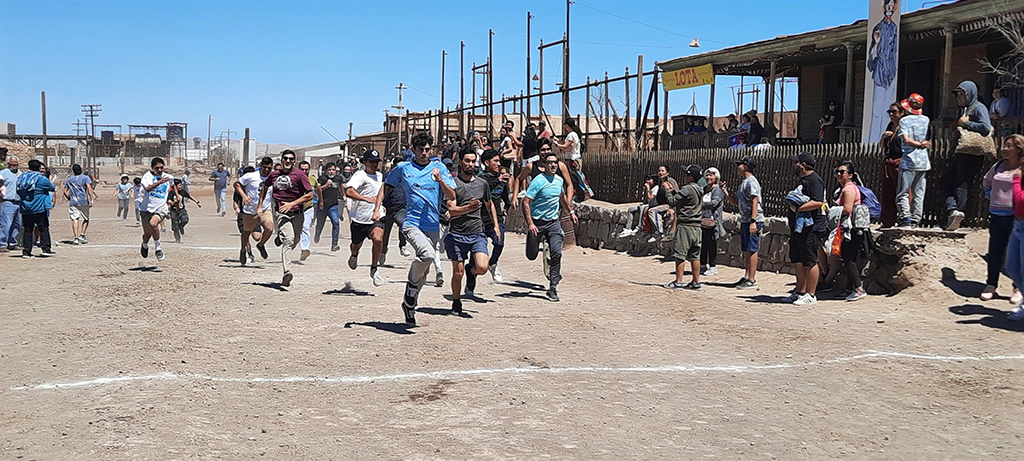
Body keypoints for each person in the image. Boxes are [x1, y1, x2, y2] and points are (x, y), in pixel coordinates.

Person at [373, 133, 456, 325]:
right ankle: (411, 289)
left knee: (424, 271)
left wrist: (440, 181)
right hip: (412, 223)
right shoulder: (403, 168)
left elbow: (452, 195)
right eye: (421, 150)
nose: (425, 153)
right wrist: (377, 209)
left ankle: (409, 304)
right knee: (427, 255)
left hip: (432, 225)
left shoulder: (439, 168)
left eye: (428, 149)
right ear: (413, 150)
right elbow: (385, 186)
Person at [445, 149, 501, 314]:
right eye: (467, 161)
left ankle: (472, 271)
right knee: (458, 273)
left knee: (482, 267)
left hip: (477, 232)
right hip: (457, 234)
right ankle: (456, 302)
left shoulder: (482, 184)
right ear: (461, 162)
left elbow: (490, 205)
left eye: (473, 161)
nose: (470, 164)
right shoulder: (453, 184)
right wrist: (468, 208)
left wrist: (496, 225)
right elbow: (451, 210)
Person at [523, 147, 577, 302]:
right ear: (544, 165)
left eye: (555, 163)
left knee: (556, 253)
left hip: (553, 223)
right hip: (537, 223)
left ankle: (553, 287)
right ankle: (533, 244)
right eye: (550, 163)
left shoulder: (559, 180)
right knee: (531, 255)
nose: (553, 165)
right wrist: (530, 224)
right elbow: (526, 202)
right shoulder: (538, 181)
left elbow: (562, 197)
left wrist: (571, 212)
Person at [940, 80, 993, 231]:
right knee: (945, 183)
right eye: (957, 95)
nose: (958, 98)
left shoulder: (978, 107)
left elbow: (986, 127)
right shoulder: (965, 110)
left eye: (961, 94)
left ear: (969, 94)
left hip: (972, 154)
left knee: (961, 185)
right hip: (961, 152)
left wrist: (966, 124)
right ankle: (953, 210)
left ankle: (956, 216)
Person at [258, 150, 313, 287]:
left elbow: (309, 195)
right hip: (281, 212)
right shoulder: (274, 175)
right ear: (281, 160)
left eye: (291, 159)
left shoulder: (300, 175)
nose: (288, 161)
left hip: (297, 212)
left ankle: (280, 238)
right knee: (289, 239)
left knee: (295, 239)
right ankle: (286, 272)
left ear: (294, 161)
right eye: (286, 158)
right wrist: (260, 205)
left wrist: (292, 203)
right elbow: (265, 187)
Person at [981, 135, 1024, 303]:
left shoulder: (1021, 168)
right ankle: (991, 285)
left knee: (1016, 255)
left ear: (1019, 149)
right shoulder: (998, 166)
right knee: (995, 252)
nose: (1005, 149)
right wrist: (990, 196)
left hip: (1016, 217)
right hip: (996, 214)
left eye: (1009, 146)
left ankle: (1018, 288)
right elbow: (986, 181)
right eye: (1005, 145)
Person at [787, 152, 827, 305]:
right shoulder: (803, 180)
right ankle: (800, 292)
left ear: (803, 165)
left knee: (810, 260)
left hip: (811, 227)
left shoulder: (814, 180)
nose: (794, 165)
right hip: (798, 227)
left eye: (796, 163)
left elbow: (818, 202)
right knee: (798, 259)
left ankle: (811, 294)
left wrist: (798, 208)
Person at [346, 150, 387, 287]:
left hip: (376, 217)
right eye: (371, 161)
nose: (374, 164)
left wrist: (382, 205)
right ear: (365, 162)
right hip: (360, 218)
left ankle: (374, 269)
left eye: (376, 161)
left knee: (378, 239)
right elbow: (349, 191)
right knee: (355, 245)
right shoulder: (360, 175)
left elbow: (381, 192)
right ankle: (354, 254)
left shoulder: (380, 176)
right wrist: (366, 199)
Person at [725, 157, 764, 290]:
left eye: (740, 165)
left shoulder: (752, 182)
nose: (738, 167)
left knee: (752, 249)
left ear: (746, 167)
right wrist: (725, 192)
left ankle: (752, 279)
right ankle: (747, 276)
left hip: (752, 220)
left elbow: (755, 201)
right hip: (745, 220)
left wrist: (753, 220)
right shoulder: (743, 183)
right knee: (746, 249)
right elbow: (735, 202)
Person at [664, 165, 705, 290]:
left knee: (680, 254)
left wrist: (667, 190)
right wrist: (674, 191)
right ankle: (696, 282)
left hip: (685, 226)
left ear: (690, 177)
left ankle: (679, 281)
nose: (684, 177)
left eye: (686, 174)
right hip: (697, 226)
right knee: (695, 256)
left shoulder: (687, 188)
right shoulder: (700, 188)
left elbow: (672, 202)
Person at [895, 94, 932, 228]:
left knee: (903, 192)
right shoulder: (926, 119)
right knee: (919, 192)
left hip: (909, 159)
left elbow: (906, 139)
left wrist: (918, 144)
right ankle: (917, 218)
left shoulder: (904, 121)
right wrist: (922, 144)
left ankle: (905, 217)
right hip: (923, 160)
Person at [833, 161, 868, 301]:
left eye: (842, 172)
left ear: (850, 175)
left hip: (851, 228)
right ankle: (849, 288)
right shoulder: (845, 188)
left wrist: (832, 212)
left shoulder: (848, 189)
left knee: (848, 257)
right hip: (849, 227)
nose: (839, 174)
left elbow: (847, 209)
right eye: (837, 172)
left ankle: (859, 289)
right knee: (849, 257)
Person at [479, 148, 512, 283]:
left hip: (496, 219)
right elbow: (484, 191)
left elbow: (504, 194)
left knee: (499, 243)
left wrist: (508, 205)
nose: (499, 164)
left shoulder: (501, 178)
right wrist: (498, 180)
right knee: (478, 254)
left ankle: (493, 264)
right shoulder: (480, 178)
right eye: (496, 161)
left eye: (499, 161)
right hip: (480, 220)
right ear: (487, 163)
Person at [235, 158, 274, 266]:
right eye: (264, 167)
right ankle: (243, 249)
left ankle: (261, 245)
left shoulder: (273, 178)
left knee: (269, 228)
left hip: (265, 209)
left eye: (269, 168)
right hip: (250, 210)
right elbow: (237, 184)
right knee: (246, 233)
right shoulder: (251, 176)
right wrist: (244, 196)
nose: (266, 170)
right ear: (260, 166)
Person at [16, 159, 56, 257]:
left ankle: (26, 251)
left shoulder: (21, 177)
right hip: (38, 208)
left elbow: (17, 190)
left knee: (27, 230)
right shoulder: (41, 178)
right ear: (38, 168)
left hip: (25, 208)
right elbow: (52, 188)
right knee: (43, 228)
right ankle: (45, 249)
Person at [139, 157, 174, 261]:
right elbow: (147, 189)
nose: (159, 170)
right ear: (152, 167)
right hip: (146, 209)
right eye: (157, 168)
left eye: (161, 167)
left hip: (161, 207)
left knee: (153, 224)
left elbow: (173, 185)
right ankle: (145, 244)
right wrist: (159, 182)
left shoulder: (168, 177)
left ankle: (158, 248)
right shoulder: (147, 176)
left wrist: (175, 197)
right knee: (147, 234)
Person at [378, 156, 410, 265]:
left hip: (401, 207)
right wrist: (380, 204)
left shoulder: (407, 176)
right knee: (385, 233)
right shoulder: (387, 176)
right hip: (387, 208)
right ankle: (383, 252)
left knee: (403, 224)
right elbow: (381, 190)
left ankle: (402, 246)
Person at [879, 102, 905, 228]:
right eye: (889, 112)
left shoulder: (904, 127)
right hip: (888, 160)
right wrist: (884, 136)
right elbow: (881, 146)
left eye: (894, 112)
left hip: (900, 160)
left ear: (902, 113)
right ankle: (887, 221)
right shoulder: (890, 126)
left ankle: (903, 218)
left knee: (900, 191)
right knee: (887, 191)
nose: (891, 114)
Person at [1004, 163, 1024, 321]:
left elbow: (1020, 199)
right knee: (1011, 267)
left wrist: (1016, 179)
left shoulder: (1018, 178)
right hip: (1018, 224)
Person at [700, 167, 726, 276]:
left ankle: (713, 266)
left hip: (713, 222)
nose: (708, 177)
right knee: (703, 244)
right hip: (703, 221)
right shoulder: (705, 189)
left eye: (711, 175)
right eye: (707, 175)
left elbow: (714, 203)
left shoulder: (717, 190)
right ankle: (702, 265)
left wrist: (700, 205)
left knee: (711, 244)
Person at [64, 163, 97, 245]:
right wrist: (91, 199)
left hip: (74, 201)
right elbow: (89, 188)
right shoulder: (85, 178)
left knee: (75, 219)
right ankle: (82, 234)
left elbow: (65, 191)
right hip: (83, 201)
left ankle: (76, 237)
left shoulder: (69, 179)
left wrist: (69, 198)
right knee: (86, 218)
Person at [618, 174, 660, 238]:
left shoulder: (656, 188)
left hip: (652, 205)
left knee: (643, 208)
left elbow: (650, 199)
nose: (647, 181)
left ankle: (640, 227)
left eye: (649, 179)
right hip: (647, 204)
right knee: (631, 209)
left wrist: (648, 189)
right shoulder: (650, 188)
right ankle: (628, 228)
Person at [314, 162, 344, 253]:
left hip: (333, 205)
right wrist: (326, 185)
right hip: (322, 206)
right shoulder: (322, 178)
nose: (331, 172)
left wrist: (344, 195)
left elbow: (340, 186)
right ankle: (317, 234)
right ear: (326, 171)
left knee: (336, 222)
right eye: (329, 170)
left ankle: (334, 243)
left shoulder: (338, 178)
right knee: (320, 224)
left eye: (333, 170)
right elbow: (317, 190)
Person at [167, 178, 201, 243]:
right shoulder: (171, 193)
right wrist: (173, 203)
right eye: (179, 185)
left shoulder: (182, 191)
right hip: (174, 211)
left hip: (182, 210)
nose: (181, 186)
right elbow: (168, 200)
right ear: (175, 186)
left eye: (181, 185)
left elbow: (189, 196)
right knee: (175, 226)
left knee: (185, 220)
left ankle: (181, 226)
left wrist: (197, 202)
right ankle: (177, 240)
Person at [0, 155, 21, 251]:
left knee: (17, 224)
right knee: (5, 224)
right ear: (8, 163)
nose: (14, 164)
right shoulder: (3, 173)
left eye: (16, 163)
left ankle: (12, 243)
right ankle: (2, 244)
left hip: (18, 202)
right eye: (12, 163)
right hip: (7, 202)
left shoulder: (20, 174)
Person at [297, 160, 317, 262]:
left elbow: (318, 189)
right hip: (296, 208)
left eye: (306, 170)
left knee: (305, 227)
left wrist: (320, 201)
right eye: (302, 169)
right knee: (295, 230)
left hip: (308, 208)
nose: (304, 172)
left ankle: (304, 248)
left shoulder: (312, 179)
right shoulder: (294, 179)